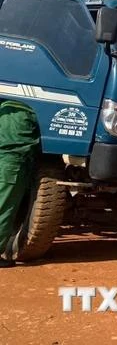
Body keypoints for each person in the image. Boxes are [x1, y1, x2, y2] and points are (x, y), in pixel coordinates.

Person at [0, 100, 40, 267]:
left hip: (8, 154)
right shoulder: (30, 109)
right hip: (13, 160)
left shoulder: (5, 105)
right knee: (4, 204)